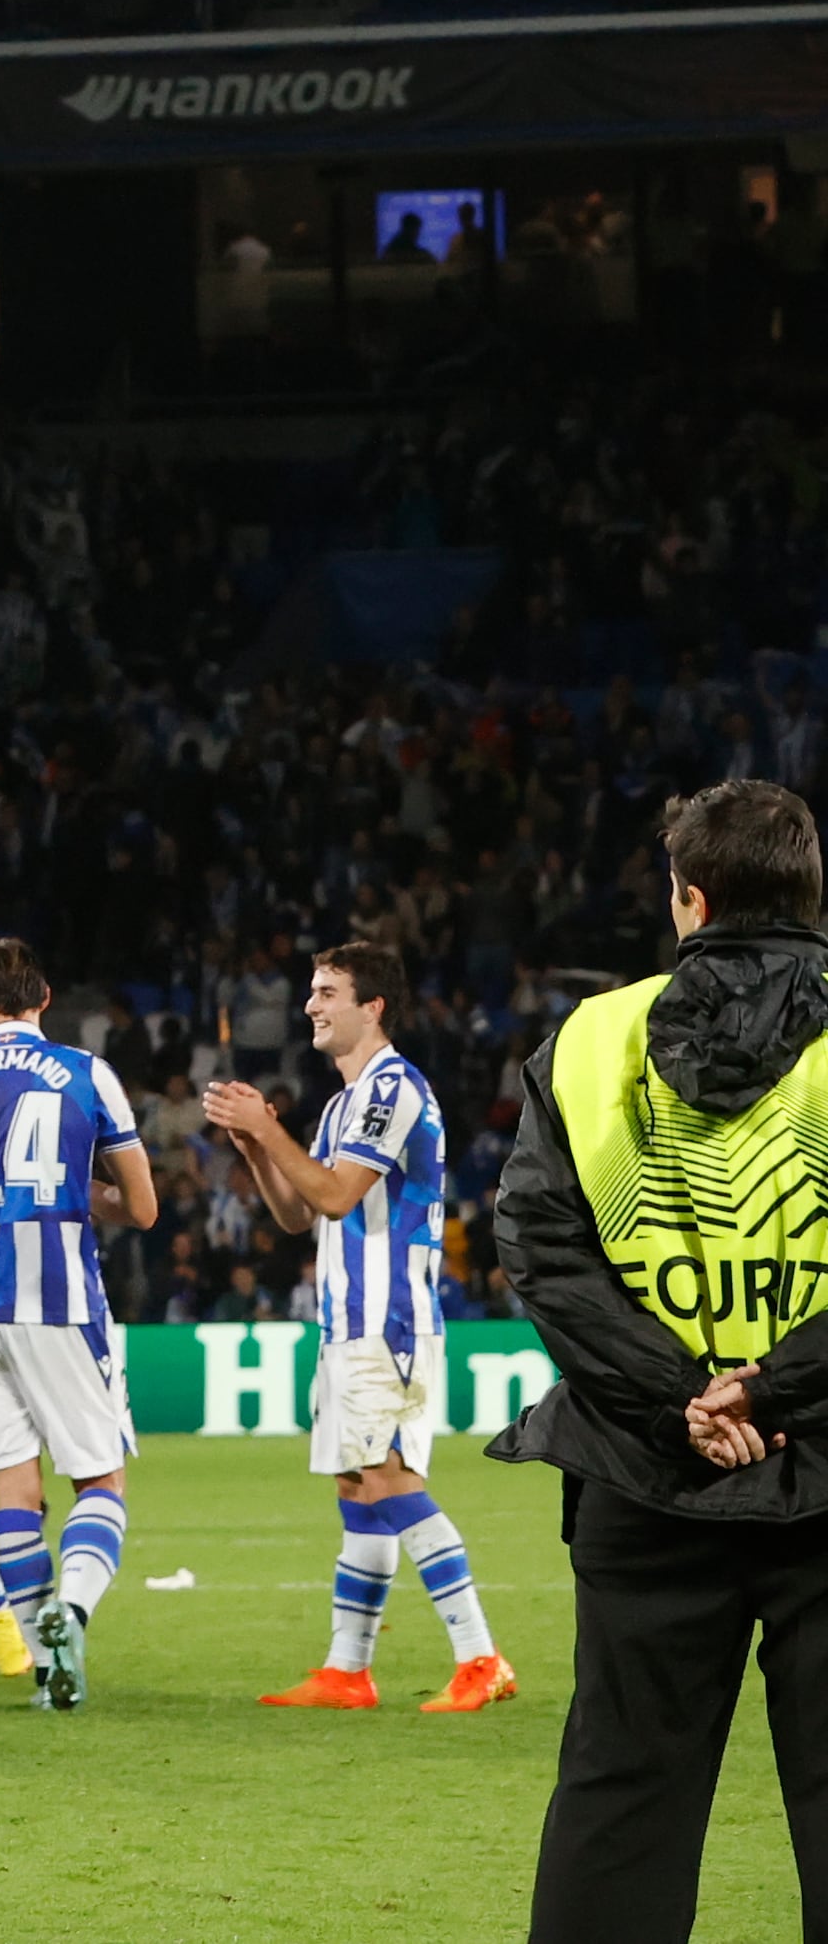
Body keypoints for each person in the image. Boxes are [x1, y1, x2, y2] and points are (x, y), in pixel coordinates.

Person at [500, 778, 828, 1942]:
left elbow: (538, 1248)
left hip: (648, 1475)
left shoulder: (590, 1043)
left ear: (689, 899)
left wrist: (682, 1398)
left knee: (622, 1797)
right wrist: (775, 1387)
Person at [217, 938, 513, 1714]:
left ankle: (480, 1654)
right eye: (311, 990)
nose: (310, 1004)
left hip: (389, 1321)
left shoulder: (391, 1088)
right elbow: (297, 1210)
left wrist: (270, 1131)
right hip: (347, 1322)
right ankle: (348, 1670)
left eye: (326, 991)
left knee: (386, 1477)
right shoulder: (344, 1102)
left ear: (371, 1005)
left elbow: (342, 1193)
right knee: (358, 1485)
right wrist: (256, 1145)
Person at [0, 935, 156, 1712]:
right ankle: (73, 1612)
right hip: (60, 1303)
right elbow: (143, 1207)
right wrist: (74, 1194)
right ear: (44, 998)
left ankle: (48, 1660)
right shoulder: (89, 1074)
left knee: (14, 1485)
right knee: (100, 1478)